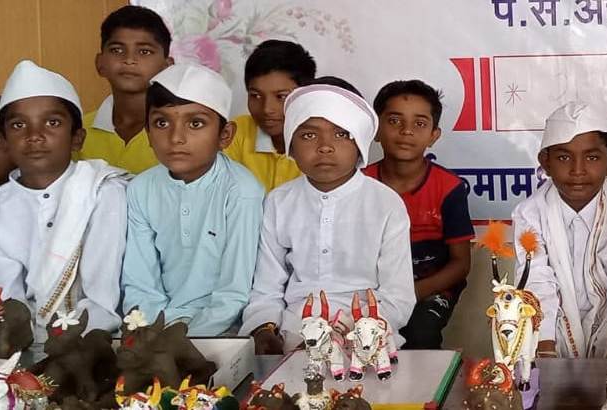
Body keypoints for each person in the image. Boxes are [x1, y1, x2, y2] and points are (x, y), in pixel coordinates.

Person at [242, 83, 415, 353]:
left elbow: (397, 297)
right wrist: (264, 330)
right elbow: (266, 288)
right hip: (293, 336)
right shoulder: (278, 202)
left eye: (341, 134)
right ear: (290, 146)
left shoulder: (386, 204)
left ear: (360, 145)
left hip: (368, 339)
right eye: (309, 135)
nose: (325, 147)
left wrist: (346, 335)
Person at [0, 61, 130, 337]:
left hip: (97, 340)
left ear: (77, 138)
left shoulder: (103, 192)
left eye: (52, 123)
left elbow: (103, 299)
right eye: (18, 125)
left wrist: (66, 343)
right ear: (3, 140)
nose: (34, 136)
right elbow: (7, 300)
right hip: (25, 344)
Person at [121, 63, 264, 336]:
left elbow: (234, 292)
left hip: (223, 331)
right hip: (156, 329)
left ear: (225, 135)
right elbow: (140, 282)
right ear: (147, 133)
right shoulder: (140, 189)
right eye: (162, 123)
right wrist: (150, 331)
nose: (176, 138)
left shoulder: (241, 191)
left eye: (195, 123)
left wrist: (187, 337)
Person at [513, 102, 607, 359]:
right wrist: (546, 352)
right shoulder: (529, 213)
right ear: (545, 163)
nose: (577, 170)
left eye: (592, 157)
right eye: (563, 157)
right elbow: (536, 280)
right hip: (550, 324)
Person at [360, 80, 472, 349]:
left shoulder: (449, 188)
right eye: (394, 121)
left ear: (434, 135)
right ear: (376, 129)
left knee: (421, 334)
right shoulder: (359, 185)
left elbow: (460, 264)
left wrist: (409, 293)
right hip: (372, 288)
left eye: (419, 123)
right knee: (362, 335)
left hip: (429, 287)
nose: (406, 131)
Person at [79, 5, 175, 174]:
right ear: (100, 63)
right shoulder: (77, 132)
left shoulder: (183, 131)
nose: (129, 60)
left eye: (144, 51)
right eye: (117, 50)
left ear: (167, 67)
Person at [227, 39, 312, 191]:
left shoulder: (322, 140)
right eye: (256, 96)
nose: (267, 109)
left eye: (281, 96)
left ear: (305, 95)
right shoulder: (236, 132)